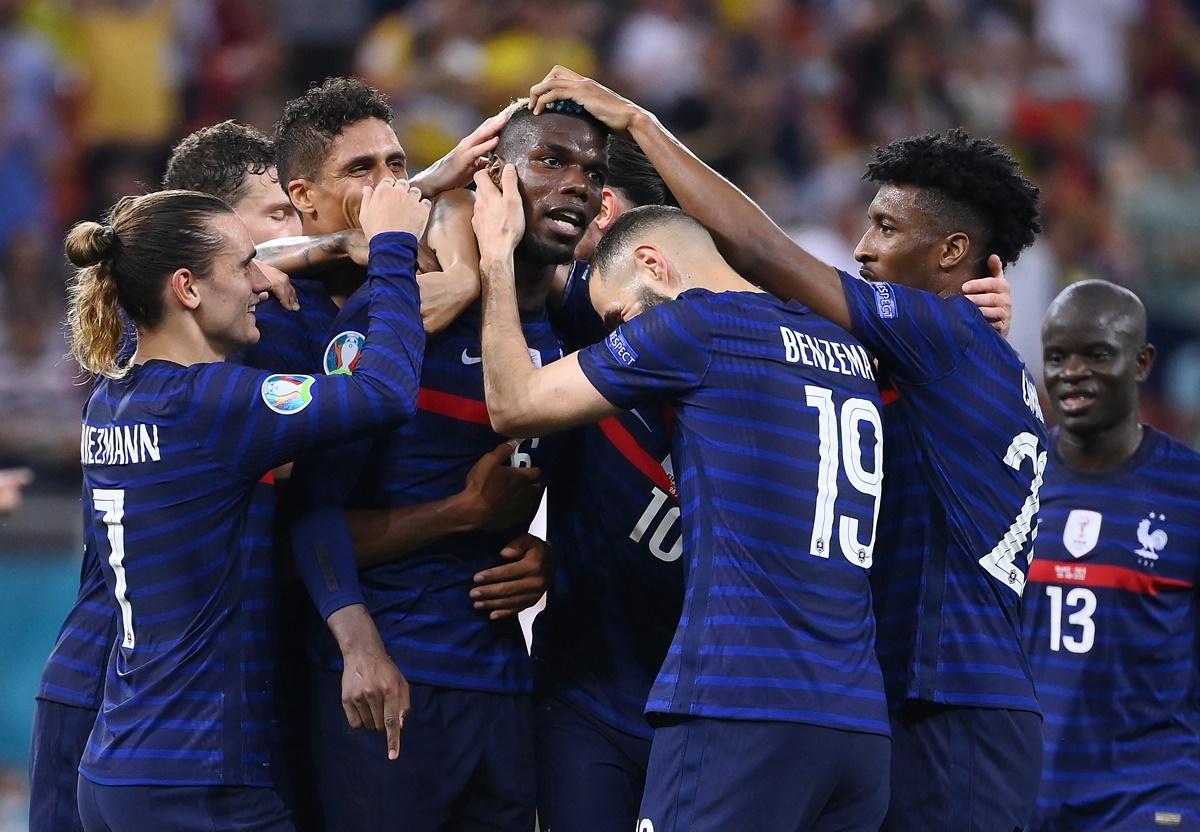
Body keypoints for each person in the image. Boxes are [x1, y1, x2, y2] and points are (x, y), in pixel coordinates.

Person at [527, 67, 1047, 830]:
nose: (863, 249)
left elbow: (764, 254)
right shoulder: (950, 351)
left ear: (955, 252)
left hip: (947, 706)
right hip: (913, 702)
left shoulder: (945, 339)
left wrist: (641, 123)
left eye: (888, 229)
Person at [476, 155, 893, 832]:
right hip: (854, 725)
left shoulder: (697, 327)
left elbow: (514, 404)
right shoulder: (841, 345)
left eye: (620, 318)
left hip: (740, 701)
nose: (620, 338)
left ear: (655, 265)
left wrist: (495, 256)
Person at [65, 182, 428, 831]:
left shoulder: (112, 401)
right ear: (187, 287)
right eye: (245, 264)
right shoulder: (212, 403)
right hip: (197, 783)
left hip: (117, 770)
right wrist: (395, 246)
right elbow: (385, 393)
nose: (265, 280)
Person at [288, 98, 609, 832]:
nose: (578, 185)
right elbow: (309, 520)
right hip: (389, 682)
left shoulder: (573, 339)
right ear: (490, 180)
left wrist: (544, 556)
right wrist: (362, 647)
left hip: (501, 683)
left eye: (593, 171)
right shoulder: (399, 319)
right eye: (552, 161)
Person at [1023, 280, 1200, 831]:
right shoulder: (1010, 475)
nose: (1073, 371)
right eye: (1058, 357)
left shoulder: (1189, 492)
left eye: (1096, 354)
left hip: (1149, 792)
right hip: (1025, 788)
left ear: (1143, 362)